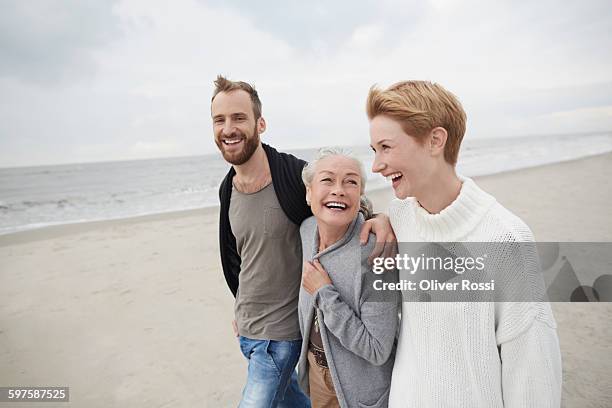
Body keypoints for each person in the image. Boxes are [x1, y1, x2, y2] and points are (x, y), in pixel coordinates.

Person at [366, 80, 562, 407]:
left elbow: (534, 376)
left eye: (386, 147)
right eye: (374, 151)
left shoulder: (506, 239)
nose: (376, 165)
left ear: (435, 140)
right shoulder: (401, 215)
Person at [211, 75, 395, 407]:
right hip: (251, 330)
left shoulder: (291, 176)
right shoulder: (228, 189)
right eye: (219, 119)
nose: (229, 128)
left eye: (239, 117)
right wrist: (241, 304)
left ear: (260, 123)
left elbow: (337, 196)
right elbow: (238, 258)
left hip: (281, 337)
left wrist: (376, 218)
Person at [297, 148, 399, 408]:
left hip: (361, 394)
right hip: (316, 377)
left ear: (360, 195)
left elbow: (377, 349)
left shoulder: (376, 254)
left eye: (351, 182)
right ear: (309, 193)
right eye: (327, 180)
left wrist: (324, 294)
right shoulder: (307, 230)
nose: (339, 190)